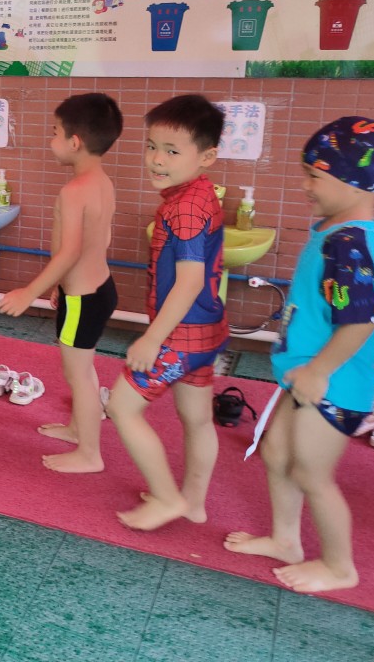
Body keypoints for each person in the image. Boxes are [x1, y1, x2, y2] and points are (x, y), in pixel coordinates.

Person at [226, 117, 374, 593]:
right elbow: (354, 307)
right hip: (307, 375)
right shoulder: (335, 231)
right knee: (277, 453)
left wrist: (320, 371)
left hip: (332, 384)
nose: (304, 186)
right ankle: (285, 540)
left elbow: (358, 321)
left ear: (354, 181)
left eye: (314, 176)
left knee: (312, 474)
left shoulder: (347, 243)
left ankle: (340, 567)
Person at [106, 94, 227, 530]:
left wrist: (152, 338)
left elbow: (189, 281)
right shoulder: (199, 193)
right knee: (197, 419)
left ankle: (165, 497)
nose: (156, 159)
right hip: (206, 331)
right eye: (152, 146)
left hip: (179, 336)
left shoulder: (185, 206)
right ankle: (193, 502)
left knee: (121, 407)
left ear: (207, 156)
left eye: (172, 152)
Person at [0, 93, 123, 474]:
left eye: (55, 132)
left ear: (75, 142)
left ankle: (90, 453)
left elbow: (68, 253)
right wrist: (60, 285)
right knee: (84, 369)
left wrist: (29, 292)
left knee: (78, 375)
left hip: (83, 299)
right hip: (97, 288)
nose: (51, 139)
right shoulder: (102, 182)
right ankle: (77, 429)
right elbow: (99, 241)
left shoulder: (73, 192)